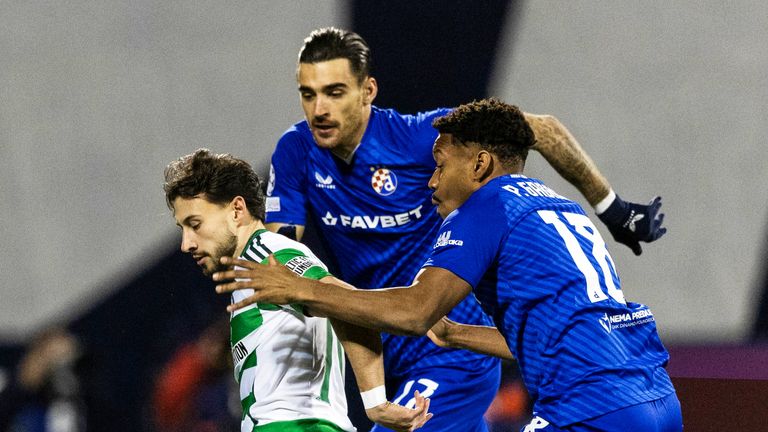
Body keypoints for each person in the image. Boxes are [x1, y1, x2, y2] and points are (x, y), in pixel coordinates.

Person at [263, 27, 666, 432]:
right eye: (308, 93)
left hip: (447, 353)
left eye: (334, 92)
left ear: (368, 91)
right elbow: (281, 253)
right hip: (399, 343)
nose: (318, 109)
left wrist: (613, 209)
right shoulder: (296, 150)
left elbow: (543, 129)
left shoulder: (428, 139)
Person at [162, 149, 430, 432]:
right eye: (182, 229)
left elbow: (346, 303)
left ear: (237, 210)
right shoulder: (253, 268)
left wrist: (377, 403)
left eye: (195, 224)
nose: (186, 243)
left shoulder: (269, 254)